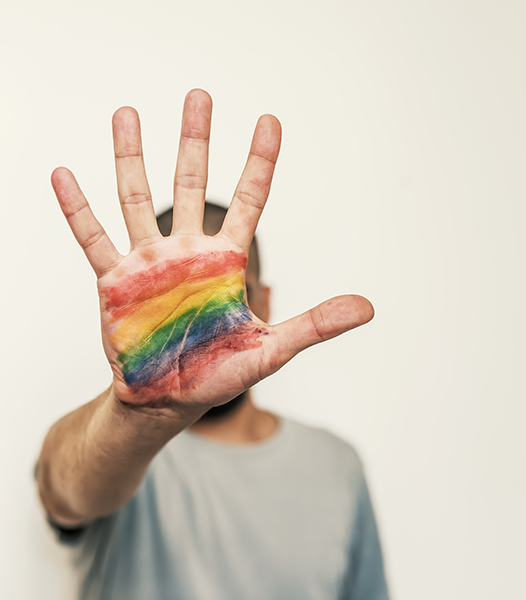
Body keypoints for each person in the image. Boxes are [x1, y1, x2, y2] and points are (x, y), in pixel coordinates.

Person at [36, 89, 388, 599]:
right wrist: (140, 417)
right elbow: (61, 487)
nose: (199, 330)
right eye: (172, 309)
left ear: (263, 300)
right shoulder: (121, 454)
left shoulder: (336, 466)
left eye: (227, 298)